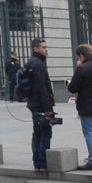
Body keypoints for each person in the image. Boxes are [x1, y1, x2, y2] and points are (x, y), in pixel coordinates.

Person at [26, 38, 54, 171]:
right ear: (36, 49)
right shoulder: (37, 64)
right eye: (43, 47)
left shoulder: (34, 62)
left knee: (37, 132)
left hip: (34, 103)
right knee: (44, 132)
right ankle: (42, 162)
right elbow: (41, 87)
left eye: (46, 47)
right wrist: (48, 108)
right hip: (40, 104)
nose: (46, 49)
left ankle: (38, 162)